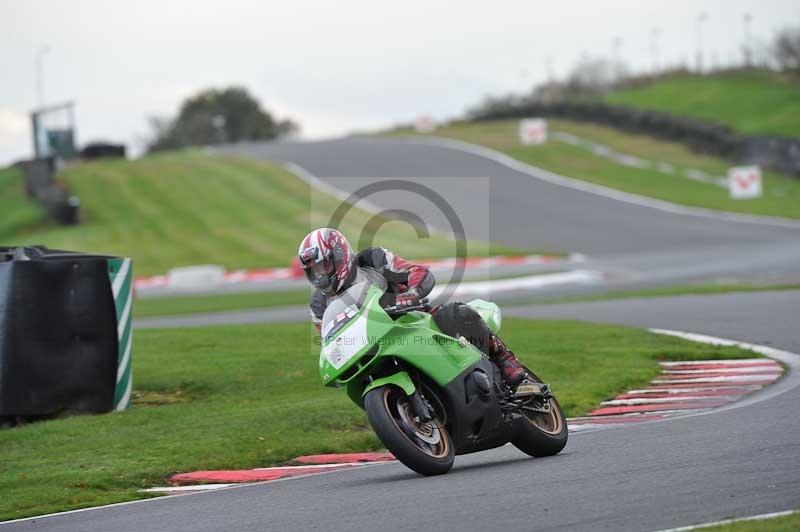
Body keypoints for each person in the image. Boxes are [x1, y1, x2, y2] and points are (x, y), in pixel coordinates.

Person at [298, 227, 527, 386]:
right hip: (374, 346)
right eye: (314, 271)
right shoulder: (319, 305)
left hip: (414, 321)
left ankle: (504, 360)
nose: (320, 275)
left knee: (455, 313)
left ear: (341, 255)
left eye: (324, 266)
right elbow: (330, 341)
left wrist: (413, 292)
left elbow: (417, 271)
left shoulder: (372, 260)